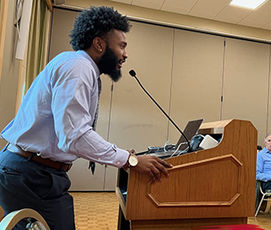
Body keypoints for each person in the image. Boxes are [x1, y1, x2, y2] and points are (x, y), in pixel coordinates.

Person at [0, 7, 171, 230]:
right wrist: (130, 161)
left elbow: (75, 130)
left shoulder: (81, 68)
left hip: (35, 171)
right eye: (122, 45)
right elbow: (74, 136)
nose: (125, 54)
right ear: (99, 44)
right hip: (31, 175)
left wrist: (119, 154)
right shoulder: (78, 67)